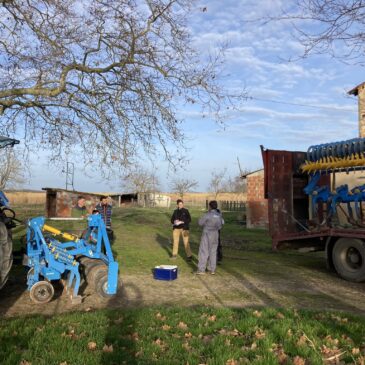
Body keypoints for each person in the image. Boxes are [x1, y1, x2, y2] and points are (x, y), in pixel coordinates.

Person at [196, 200, 224, 275]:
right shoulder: (219, 215)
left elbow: (200, 223)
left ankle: (201, 269)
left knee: (204, 251)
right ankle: (212, 269)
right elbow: (221, 224)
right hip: (215, 234)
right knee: (213, 251)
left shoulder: (207, 214)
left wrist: (203, 220)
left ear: (210, 206)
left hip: (207, 234)